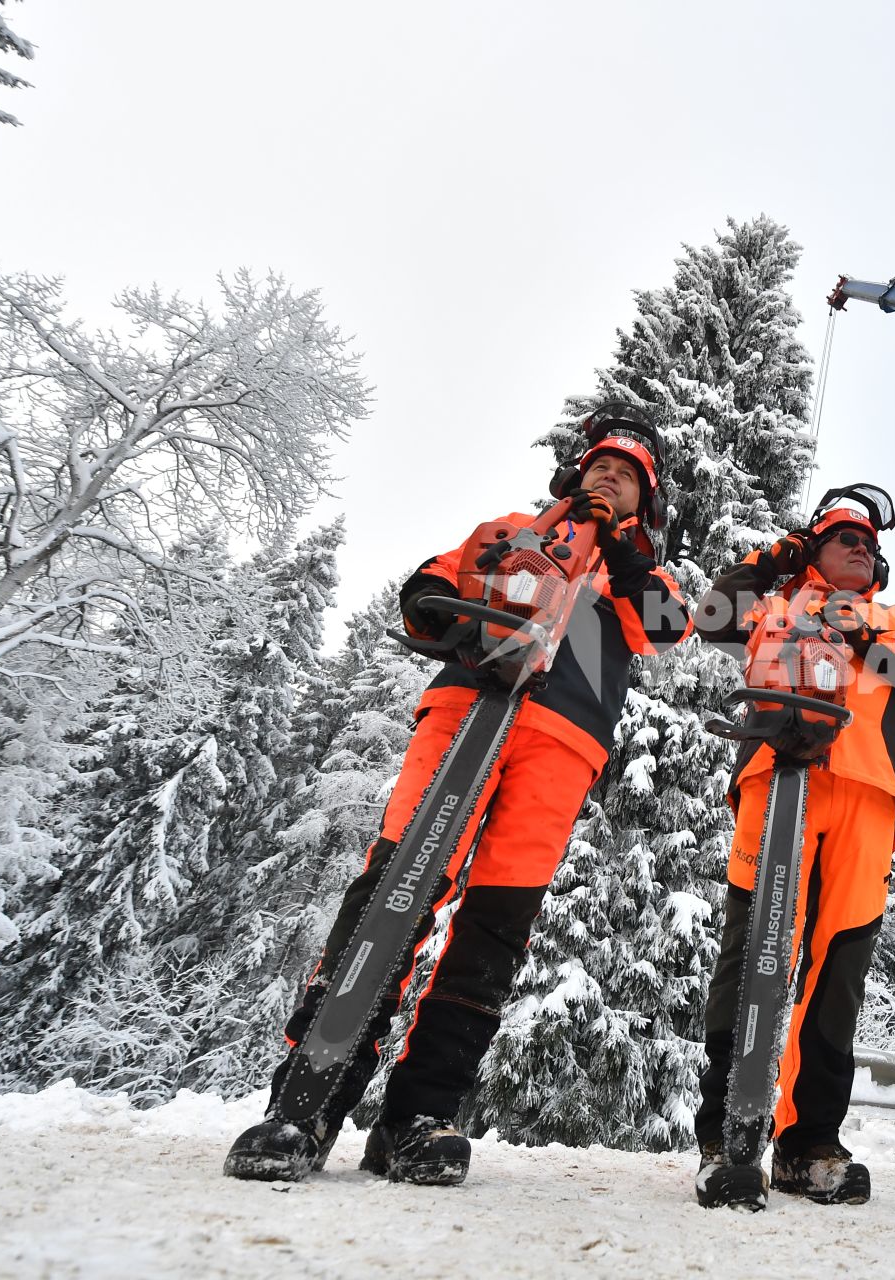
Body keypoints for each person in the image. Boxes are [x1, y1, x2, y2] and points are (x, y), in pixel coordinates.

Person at [223, 404, 690, 1186]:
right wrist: (450, 619)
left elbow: (668, 628)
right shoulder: (513, 531)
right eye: (602, 465)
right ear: (575, 473)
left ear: (648, 501)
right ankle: (305, 1103)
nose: (611, 478)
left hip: (562, 741)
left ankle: (419, 1117)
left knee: (494, 925)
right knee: (395, 888)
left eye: (630, 476)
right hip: (468, 710)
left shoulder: (636, 576)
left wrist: (624, 550)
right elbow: (431, 585)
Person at [691, 486, 895, 1206]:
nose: (859, 546)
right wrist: (771, 560)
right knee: (752, 953)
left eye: (868, 542)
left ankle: (809, 1145)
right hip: (777, 780)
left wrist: (861, 632)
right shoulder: (775, 607)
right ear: (812, 548)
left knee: (836, 976)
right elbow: (710, 615)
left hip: (867, 797)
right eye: (843, 536)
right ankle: (725, 1135)